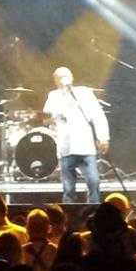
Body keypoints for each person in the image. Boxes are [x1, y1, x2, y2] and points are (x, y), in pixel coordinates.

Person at [40, 67, 109, 205]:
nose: (63, 79)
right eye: (60, 77)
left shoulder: (84, 93)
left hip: (85, 146)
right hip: (66, 148)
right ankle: (69, 213)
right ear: (55, 81)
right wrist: (55, 115)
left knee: (93, 182)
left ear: (71, 77)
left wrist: (103, 137)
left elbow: (98, 115)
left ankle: (94, 210)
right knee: (69, 188)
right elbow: (45, 119)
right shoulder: (54, 96)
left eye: (66, 76)